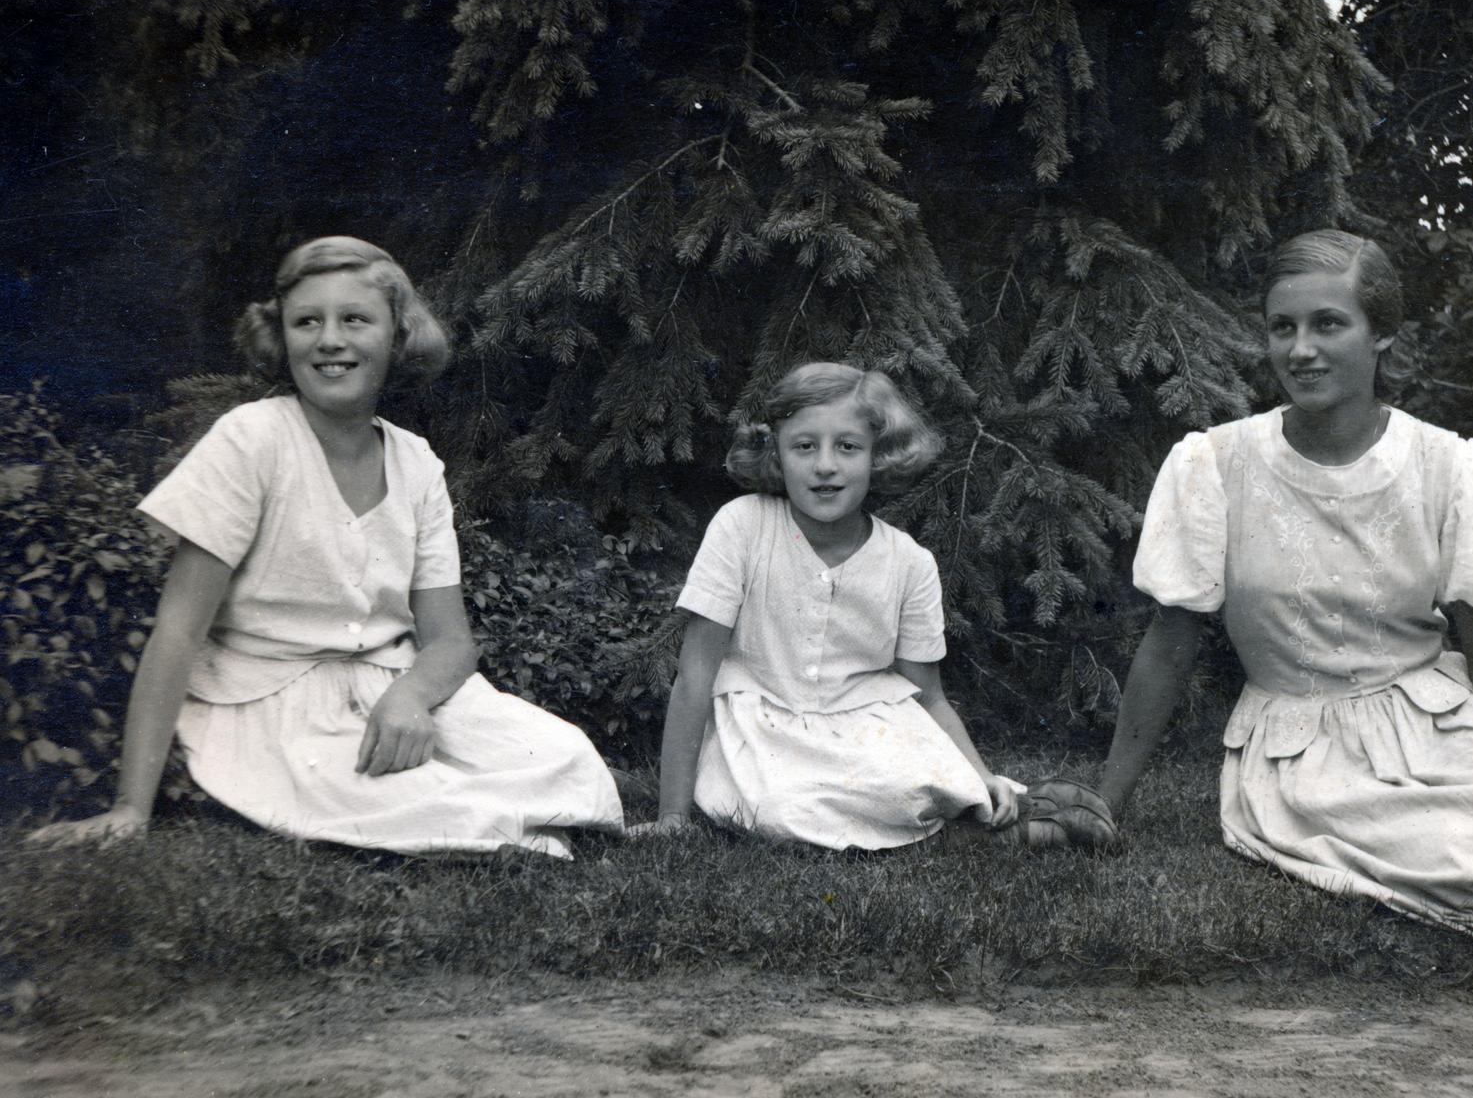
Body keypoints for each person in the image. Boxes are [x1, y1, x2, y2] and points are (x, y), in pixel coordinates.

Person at [30, 236, 625, 858]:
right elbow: (178, 630)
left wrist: (409, 696)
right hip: (272, 698)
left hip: (390, 685)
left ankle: (494, 809)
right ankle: (479, 818)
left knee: (565, 756)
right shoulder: (252, 440)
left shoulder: (416, 463)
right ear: (281, 337)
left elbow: (451, 641)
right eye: (307, 322)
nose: (330, 340)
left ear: (397, 337)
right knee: (426, 804)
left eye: (355, 320)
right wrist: (131, 808)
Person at [1097, 229, 1473, 939]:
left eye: (1328, 324)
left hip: (1438, 724)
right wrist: (1106, 803)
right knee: (1468, 857)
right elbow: (1169, 644)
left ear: (1381, 334)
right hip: (1303, 751)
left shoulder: (1448, 465)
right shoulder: (1215, 464)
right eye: (1283, 327)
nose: (1301, 349)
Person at [630, 361, 1114, 850]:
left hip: (863, 727)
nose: (825, 465)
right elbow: (695, 675)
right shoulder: (742, 527)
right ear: (776, 453)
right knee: (777, 808)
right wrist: (672, 816)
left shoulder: (908, 561)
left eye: (847, 447)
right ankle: (998, 832)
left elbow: (929, 696)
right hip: (762, 729)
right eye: (804, 446)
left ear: (878, 456)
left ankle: (998, 804)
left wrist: (978, 772)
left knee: (910, 783)